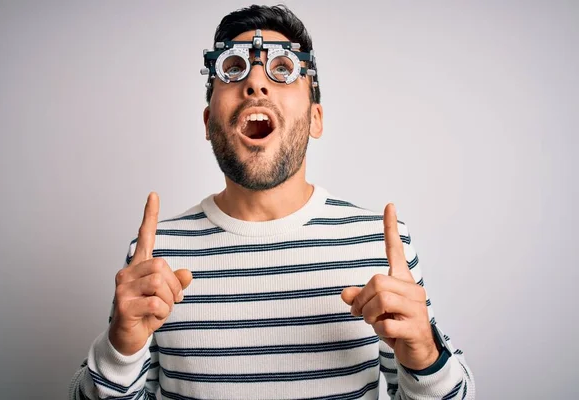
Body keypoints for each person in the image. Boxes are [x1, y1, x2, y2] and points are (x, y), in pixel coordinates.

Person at [69, 4, 475, 399]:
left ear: (316, 118)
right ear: (208, 122)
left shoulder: (379, 246)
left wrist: (424, 354)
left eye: (283, 70)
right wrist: (119, 351)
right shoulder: (154, 257)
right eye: (233, 68)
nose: (256, 84)